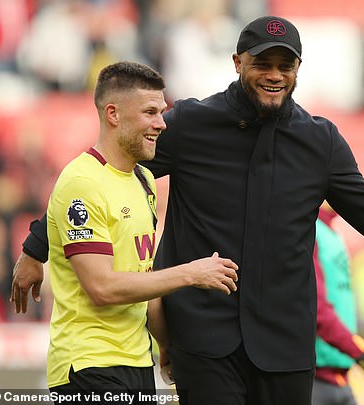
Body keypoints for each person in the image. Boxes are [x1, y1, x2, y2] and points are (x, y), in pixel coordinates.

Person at [11, 16, 364, 405]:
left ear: (297, 70)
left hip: (287, 344)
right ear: (237, 63)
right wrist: (37, 247)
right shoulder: (190, 124)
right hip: (204, 339)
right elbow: (101, 168)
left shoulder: (321, 141)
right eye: (262, 63)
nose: (274, 74)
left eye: (284, 65)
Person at [39, 61, 239, 402]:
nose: (161, 124)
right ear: (113, 113)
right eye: (150, 112)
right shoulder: (83, 183)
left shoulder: (143, 180)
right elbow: (101, 287)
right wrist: (191, 273)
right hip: (88, 364)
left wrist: (165, 346)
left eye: (162, 112)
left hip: (135, 361)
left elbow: (143, 278)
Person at [313, 201, 364, 404]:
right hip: (316, 378)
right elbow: (317, 309)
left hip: (338, 376)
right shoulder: (310, 231)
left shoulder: (328, 231)